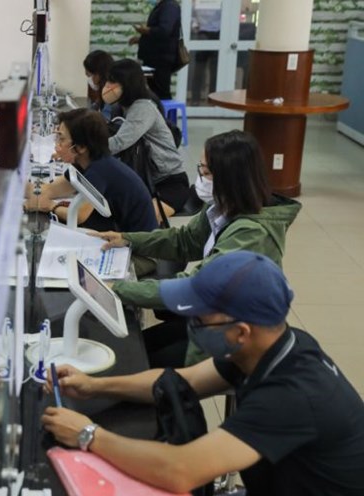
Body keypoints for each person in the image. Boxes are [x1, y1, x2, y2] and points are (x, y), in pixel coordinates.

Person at [43, 251, 364, 495]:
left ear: (241, 332)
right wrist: (94, 386)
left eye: (199, 319)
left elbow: (182, 470)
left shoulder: (291, 396)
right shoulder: (275, 346)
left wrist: (89, 434)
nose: (191, 325)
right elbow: (188, 379)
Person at [95, 130, 301, 367]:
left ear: (229, 178)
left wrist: (118, 289)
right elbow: (185, 241)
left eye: (206, 172)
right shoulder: (223, 206)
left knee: (137, 362)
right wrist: (128, 239)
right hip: (211, 314)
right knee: (137, 347)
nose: (200, 178)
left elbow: (196, 285)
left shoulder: (252, 232)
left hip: (236, 331)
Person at [25, 108, 158, 235]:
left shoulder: (100, 170)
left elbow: (79, 215)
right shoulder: (84, 164)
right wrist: (10, 185)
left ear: (81, 147)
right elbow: (48, 190)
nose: (57, 144)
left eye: (62, 138)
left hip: (139, 248)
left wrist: (50, 206)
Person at [102, 59, 188, 220]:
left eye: (112, 81)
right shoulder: (121, 106)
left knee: (138, 219)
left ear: (127, 85)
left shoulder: (143, 108)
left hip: (169, 184)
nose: (107, 86)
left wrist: (85, 148)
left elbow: (119, 143)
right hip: (146, 182)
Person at [130, 0, 181, 100]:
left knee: (161, 94)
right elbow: (156, 35)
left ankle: (164, 115)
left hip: (161, 59)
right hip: (154, 59)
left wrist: (146, 30)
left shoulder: (170, 6)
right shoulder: (162, 6)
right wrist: (141, 39)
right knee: (154, 93)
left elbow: (165, 30)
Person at [83, 50, 115, 117]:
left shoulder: (111, 94)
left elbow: (104, 121)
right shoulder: (104, 91)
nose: (89, 80)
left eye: (89, 75)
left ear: (99, 74)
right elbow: (93, 109)